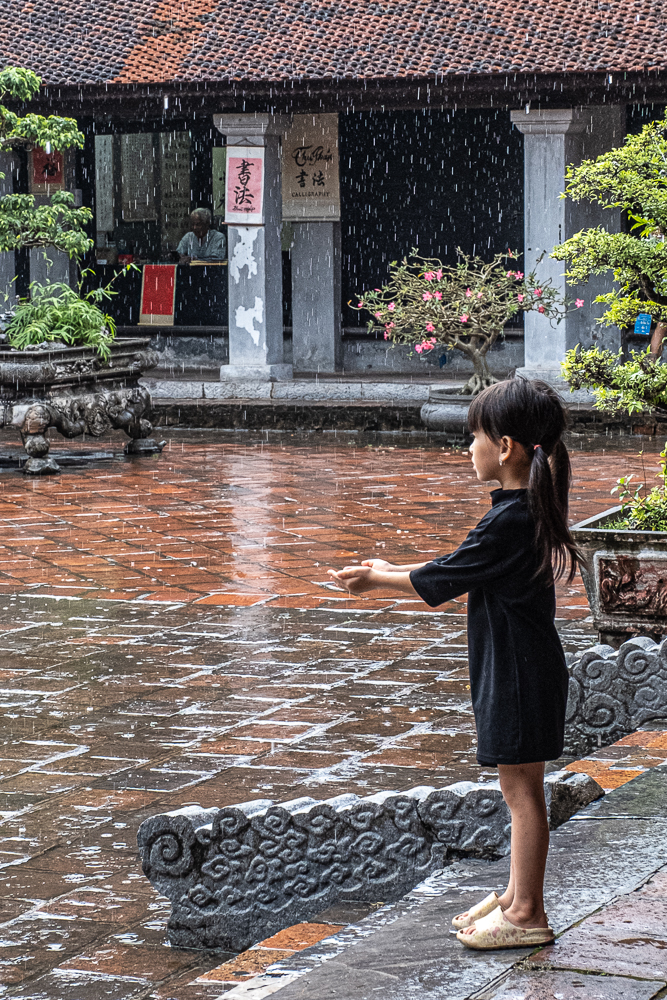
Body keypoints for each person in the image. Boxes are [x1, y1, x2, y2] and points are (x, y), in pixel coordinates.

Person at [327, 378, 584, 951]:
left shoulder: (510, 520)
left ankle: (526, 913)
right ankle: (521, 897)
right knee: (524, 788)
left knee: (520, 793)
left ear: (507, 446)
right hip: (526, 666)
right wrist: (397, 566)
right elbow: (460, 565)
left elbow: (443, 578)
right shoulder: (522, 512)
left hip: (517, 674)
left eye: (474, 437)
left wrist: (376, 579)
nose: (468, 448)